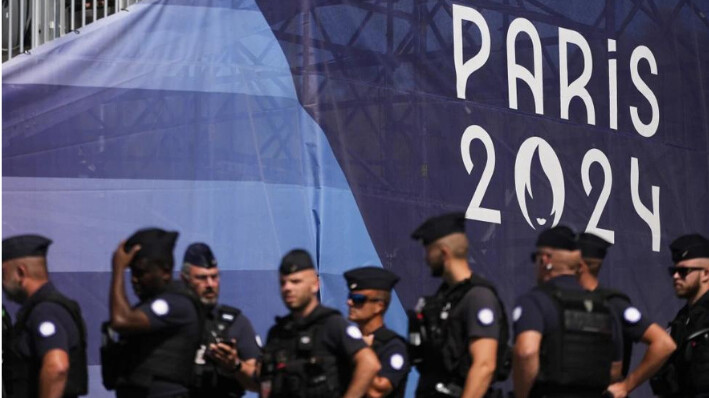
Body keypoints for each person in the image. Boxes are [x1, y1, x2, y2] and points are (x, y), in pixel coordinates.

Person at [512, 226, 622, 398]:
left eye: (536, 258)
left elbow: (526, 352)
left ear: (545, 259)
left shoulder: (535, 301)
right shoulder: (604, 306)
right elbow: (615, 368)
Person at [409, 212, 510, 398]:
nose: (426, 258)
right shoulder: (445, 297)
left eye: (428, 250)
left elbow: (484, 365)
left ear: (443, 252)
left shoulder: (478, 297)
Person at [259, 249, 381, 398]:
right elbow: (262, 382)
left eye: (295, 281)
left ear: (315, 284)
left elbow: (369, 364)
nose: (288, 288)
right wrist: (236, 366)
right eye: (283, 283)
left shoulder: (332, 325)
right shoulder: (278, 333)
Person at [101, 228, 202, 398]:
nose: (134, 279)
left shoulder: (176, 304)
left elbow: (121, 321)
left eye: (141, 273)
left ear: (165, 271)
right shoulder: (147, 306)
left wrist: (118, 269)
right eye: (131, 272)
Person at [576, 232, 675, 398]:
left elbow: (664, 343)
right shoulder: (565, 300)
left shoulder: (613, 304)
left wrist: (626, 386)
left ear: (580, 265)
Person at [2, 234, 88, 398]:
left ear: (21, 272)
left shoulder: (45, 311)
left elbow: (57, 367)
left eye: (3, 274)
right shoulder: (35, 311)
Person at [180, 242, 261, 397]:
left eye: (214, 277)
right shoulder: (169, 322)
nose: (210, 284)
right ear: (184, 279)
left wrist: (235, 365)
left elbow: (258, 382)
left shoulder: (236, 323)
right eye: (202, 278)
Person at [650, 233, 709, 397]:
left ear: (705, 274)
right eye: (674, 270)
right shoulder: (683, 317)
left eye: (683, 271)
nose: (676, 276)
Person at [344, 266, 410, 398]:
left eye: (358, 299)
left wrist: (360, 354)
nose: (349, 302)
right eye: (350, 297)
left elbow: (377, 391)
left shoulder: (392, 346)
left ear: (379, 306)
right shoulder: (346, 340)